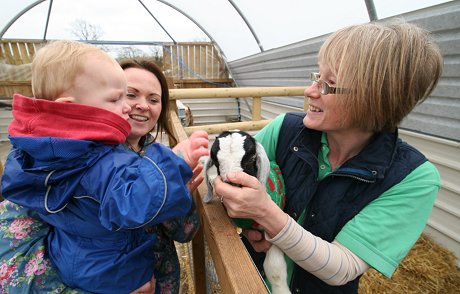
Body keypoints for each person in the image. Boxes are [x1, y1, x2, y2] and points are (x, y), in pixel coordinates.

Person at [213, 21, 443, 293]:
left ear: (375, 99)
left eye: (329, 84)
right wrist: (250, 222)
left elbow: (341, 268)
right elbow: (224, 182)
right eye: (316, 76)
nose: (310, 91)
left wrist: (267, 214)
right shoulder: (284, 130)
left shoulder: (412, 178)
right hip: (251, 283)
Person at [0, 40, 207, 293]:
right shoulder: (57, 161)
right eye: (127, 95)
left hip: (158, 280)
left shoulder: (158, 154)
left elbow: (186, 232)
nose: (136, 105)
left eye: (154, 99)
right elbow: (11, 263)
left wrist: (179, 189)